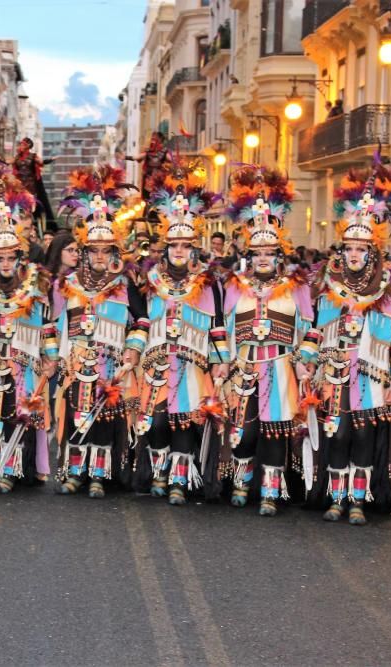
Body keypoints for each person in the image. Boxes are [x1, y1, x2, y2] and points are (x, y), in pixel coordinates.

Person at [307, 163, 391, 524]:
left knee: (364, 437)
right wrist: (306, 360)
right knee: (336, 435)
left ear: (373, 253)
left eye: (361, 249)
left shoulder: (388, 291)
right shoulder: (329, 285)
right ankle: (336, 497)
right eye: (349, 248)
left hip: (372, 377)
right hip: (335, 374)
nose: (354, 254)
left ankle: (358, 499)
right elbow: (314, 328)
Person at [222, 166, 315, 516]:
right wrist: (224, 365)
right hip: (244, 368)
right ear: (250, 254)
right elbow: (224, 328)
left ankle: (271, 492)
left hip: (280, 367)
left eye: (269, 253)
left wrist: (305, 361)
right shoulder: (235, 286)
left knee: (276, 431)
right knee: (243, 433)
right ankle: (242, 483)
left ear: (279, 255)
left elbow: (311, 329)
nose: (263, 258)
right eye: (257, 253)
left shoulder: (297, 286)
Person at [134, 162, 229, 504]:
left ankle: (179, 480)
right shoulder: (151, 281)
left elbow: (217, 324)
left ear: (193, 248)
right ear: (166, 246)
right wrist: (134, 352)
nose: (178, 251)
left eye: (184, 246)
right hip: (157, 364)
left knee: (185, 424)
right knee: (157, 423)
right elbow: (142, 321)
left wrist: (222, 361)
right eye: (173, 245)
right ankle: (157, 473)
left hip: (193, 364)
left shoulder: (208, 282)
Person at [52, 166, 148, 498]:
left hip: (111, 364)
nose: (98, 257)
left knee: (105, 418)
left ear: (115, 254)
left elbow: (142, 322)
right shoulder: (69, 284)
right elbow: (57, 323)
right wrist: (58, 358)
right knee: (78, 413)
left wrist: (132, 351)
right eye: (93, 251)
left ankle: (99, 474)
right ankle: (75, 472)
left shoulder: (124, 285)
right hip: (77, 362)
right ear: (84, 252)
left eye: (105, 251)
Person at [0, 182, 57, 493]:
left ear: (19, 258)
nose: (5, 264)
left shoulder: (36, 282)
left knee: (21, 414)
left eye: (10, 258)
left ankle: (14, 470)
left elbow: (47, 323)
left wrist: (51, 357)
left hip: (25, 362)